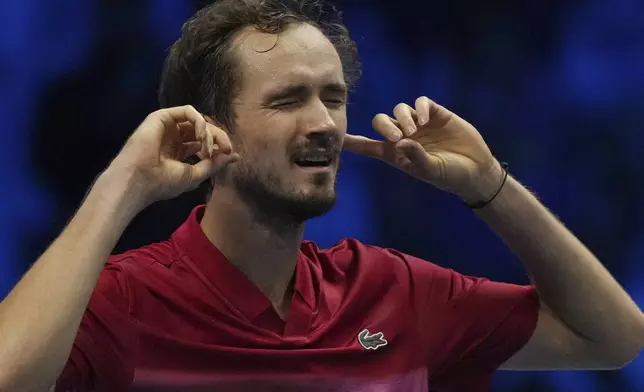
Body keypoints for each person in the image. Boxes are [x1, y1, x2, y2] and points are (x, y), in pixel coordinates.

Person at [1, 0, 643, 391]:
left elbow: (611, 339)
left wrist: (490, 186)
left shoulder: (395, 292)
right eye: (287, 100)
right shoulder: (124, 301)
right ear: (207, 128)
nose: (325, 123)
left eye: (333, 98)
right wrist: (122, 184)